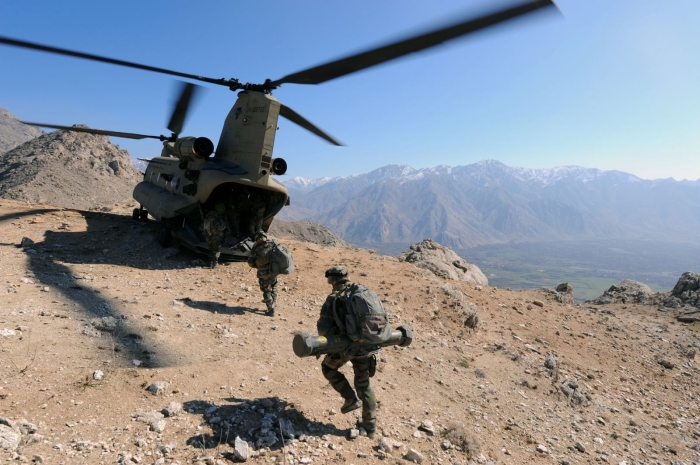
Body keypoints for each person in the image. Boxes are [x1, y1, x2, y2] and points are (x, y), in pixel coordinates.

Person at [317, 265, 378, 439]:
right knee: (364, 385)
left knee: (328, 368)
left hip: (346, 347)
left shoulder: (334, 298)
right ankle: (370, 428)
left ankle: (350, 399)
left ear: (333, 280)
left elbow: (323, 328)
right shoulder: (362, 294)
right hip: (366, 346)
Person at [246, 230, 278, 316]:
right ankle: (274, 302)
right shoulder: (272, 244)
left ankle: (270, 309)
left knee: (266, 290)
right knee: (274, 285)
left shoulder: (256, 248)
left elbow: (250, 262)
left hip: (264, 273)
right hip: (274, 271)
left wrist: (258, 265)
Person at [202, 203, 229, 269]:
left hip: (208, 237)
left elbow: (201, 228)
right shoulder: (215, 221)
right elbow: (221, 228)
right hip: (215, 238)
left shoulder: (206, 220)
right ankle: (215, 264)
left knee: (211, 250)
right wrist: (224, 225)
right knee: (216, 251)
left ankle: (211, 263)